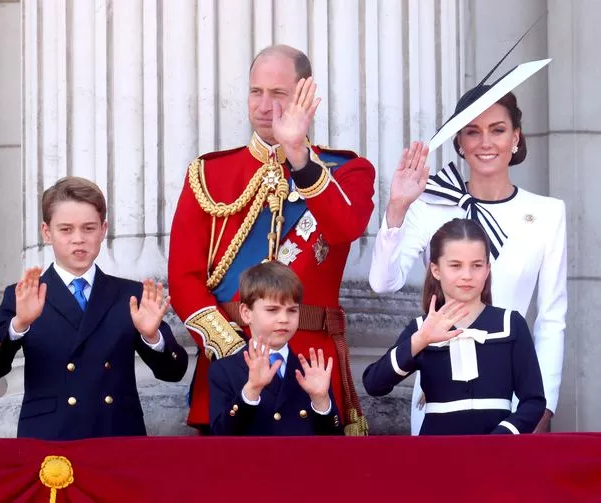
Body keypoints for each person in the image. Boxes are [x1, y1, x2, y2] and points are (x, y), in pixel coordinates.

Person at [168, 44, 375, 435]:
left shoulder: (348, 171)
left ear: (304, 95)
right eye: (255, 92)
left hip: (311, 361)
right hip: (228, 365)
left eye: (278, 94)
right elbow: (183, 278)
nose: (264, 105)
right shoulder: (209, 173)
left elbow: (346, 228)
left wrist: (298, 155)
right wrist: (236, 352)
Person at [369, 85, 566, 434]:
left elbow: (551, 318)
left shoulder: (548, 213)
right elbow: (383, 283)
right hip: (439, 400)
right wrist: (397, 206)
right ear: (460, 142)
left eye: (498, 130)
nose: (485, 142)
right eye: (473, 132)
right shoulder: (429, 206)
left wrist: (544, 406)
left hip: (513, 406)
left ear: (516, 137)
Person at [0, 177, 188, 440]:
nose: (78, 239)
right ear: (47, 232)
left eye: (89, 228)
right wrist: (18, 325)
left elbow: (174, 372)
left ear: (104, 230)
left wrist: (153, 338)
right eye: (66, 229)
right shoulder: (23, 294)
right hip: (50, 438)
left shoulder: (130, 295)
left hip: (116, 436)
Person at [364, 218, 546, 435]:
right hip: (436, 457)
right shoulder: (422, 328)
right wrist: (419, 341)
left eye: (476, 265)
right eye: (455, 265)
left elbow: (534, 401)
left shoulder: (511, 324)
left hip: (496, 457)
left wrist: (501, 438)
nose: (467, 276)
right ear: (436, 269)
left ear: (487, 269)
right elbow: (374, 384)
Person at [209, 261, 343, 435]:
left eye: (292, 310)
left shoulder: (310, 371)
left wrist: (321, 402)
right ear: (246, 313)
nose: (284, 319)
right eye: (272, 310)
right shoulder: (224, 370)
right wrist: (251, 390)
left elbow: (335, 445)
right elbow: (219, 437)